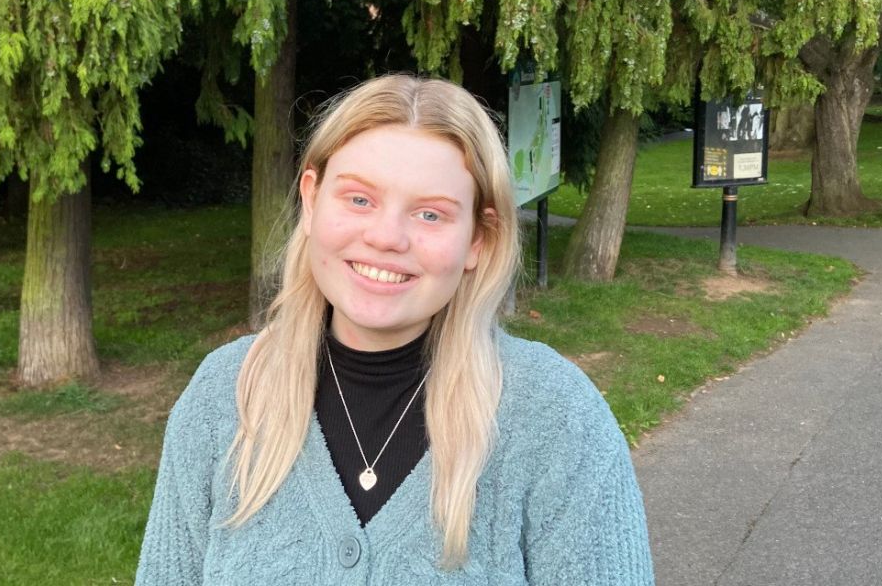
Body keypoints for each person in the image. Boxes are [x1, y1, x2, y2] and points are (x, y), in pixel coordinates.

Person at [135, 75, 654, 585]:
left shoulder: (557, 419)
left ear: (479, 238)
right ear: (312, 201)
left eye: (430, 214)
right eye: (359, 199)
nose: (386, 237)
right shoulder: (222, 399)